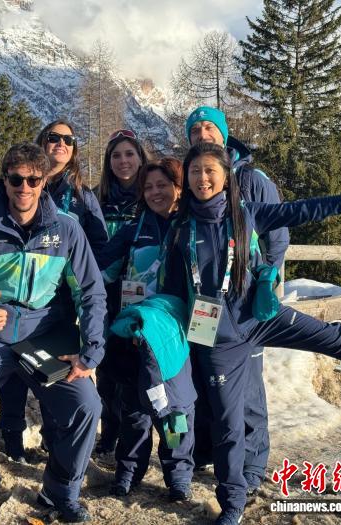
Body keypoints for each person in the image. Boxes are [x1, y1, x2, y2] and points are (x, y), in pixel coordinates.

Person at [161, 141, 341, 525]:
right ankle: (233, 503)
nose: (202, 178)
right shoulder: (180, 231)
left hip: (262, 317)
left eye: (210, 170)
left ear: (226, 177)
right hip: (218, 340)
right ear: (186, 179)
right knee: (228, 426)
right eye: (195, 171)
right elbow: (172, 293)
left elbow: (306, 210)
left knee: (339, 339)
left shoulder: (246, 214)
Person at [0, 143, 106, 525]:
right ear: (5, 180)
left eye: (33, 180)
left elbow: (91, 292)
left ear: (44, 181)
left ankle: (60, 491)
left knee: (86, 405)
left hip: (44, 333)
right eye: (16, 179)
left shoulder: (67, 230)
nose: (24, 187)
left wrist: (91, 351)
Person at [185, 106, 290, 494]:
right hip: (206, 305)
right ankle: (209, 450)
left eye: (209, 127)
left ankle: (252, 463)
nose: (203, 133)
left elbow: (277, 235)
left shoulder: (251, 179)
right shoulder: (194, 177)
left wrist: (265, 278)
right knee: (208, 379)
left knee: (247, 386)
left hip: (246, 304)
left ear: (224, 133)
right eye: (195, 129)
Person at [0, 119, 108, 462]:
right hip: (17, 298)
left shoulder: (82, 196)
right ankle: (12, 434)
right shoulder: (15, 184)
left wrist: (78, 276)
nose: (61, 143)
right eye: (53, 137)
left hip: (60, 304)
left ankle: (54, 437)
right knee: (15, 372)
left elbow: (99, 246)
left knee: (53, 369)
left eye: (68, 139)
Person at [97, 158, 196, 501]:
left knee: (176, 407)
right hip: (136, 331)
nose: (155, 192)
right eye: (149, 187)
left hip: (175, 335)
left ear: (179, 188)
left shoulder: (193, 228)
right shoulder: (134, 230)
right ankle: (128, 471)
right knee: (134, 407)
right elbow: (101, 269)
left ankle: (178, 475)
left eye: (162, 185)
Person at [94, 129, 150, 455]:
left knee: (138, 364)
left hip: (142, 292)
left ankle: (136, 437)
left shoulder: (152, 194)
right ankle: (108, 434)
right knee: (107, 367)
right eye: (116, 155)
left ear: (141, 158)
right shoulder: (96, 199)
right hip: (104, 293)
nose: (123, 161)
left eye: (130, 154)